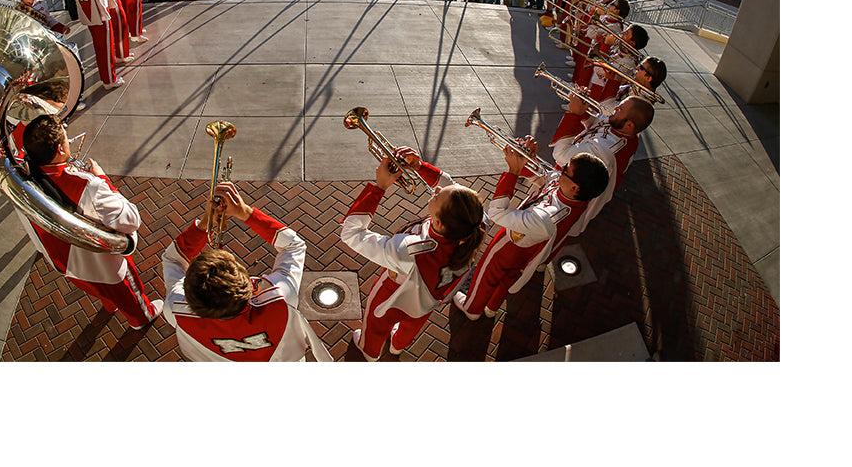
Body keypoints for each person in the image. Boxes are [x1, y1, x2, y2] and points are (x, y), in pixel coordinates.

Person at [340, 146, 486, 361]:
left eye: (437, 197)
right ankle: (398, 346)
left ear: (438, 222)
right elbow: (452, 188)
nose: (435, 191)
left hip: (392, 293)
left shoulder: (410, 250)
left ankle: (369, 351)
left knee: (376, 321)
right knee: (412, 324)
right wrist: (419, 166)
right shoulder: (477, 223)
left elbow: (351, 233)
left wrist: (379, 187)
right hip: (427, 301)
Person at [161, 181, 332, 362]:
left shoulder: (175, 309)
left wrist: (205, 223)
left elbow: (173, 259)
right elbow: (293, 245)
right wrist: (245, 213)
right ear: (248, 286)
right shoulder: (280, 300)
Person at [21, 114, 162, 329]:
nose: (69, 142)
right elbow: (131, 220)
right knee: (127, 293)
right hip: (100, 262)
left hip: (62, 260)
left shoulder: (22, 180)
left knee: (98, 289)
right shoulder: (88, 186)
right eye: (66, 139)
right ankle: (142, 317)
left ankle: (109, 304)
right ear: (60, 150)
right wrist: (103, 179)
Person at [453, 140, 609, 320]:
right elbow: (542, 177)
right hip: (528, 247)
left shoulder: (546, 218)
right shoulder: (575, 196)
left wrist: (513, 171)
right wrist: (527, 159)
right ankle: (492, 306)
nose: (560, 170)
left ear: (575, 188)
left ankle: (472, 308)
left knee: (486, 272)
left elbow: (496, 213)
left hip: (511, 243)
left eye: (566, 170)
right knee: (510, 276)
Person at [550, 92, 654, 237]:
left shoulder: (606, 150)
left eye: (620, 109)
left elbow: (561, 155)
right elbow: (595, 125)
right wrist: (584, 108)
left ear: (629, 125)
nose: (615, 108)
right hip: (571, 178)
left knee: (553, 226)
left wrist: (573, 114)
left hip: (571, 189)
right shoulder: (620, 126)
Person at [73, 0, 123, 90]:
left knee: (100, 51)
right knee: (107, 51)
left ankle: (105, 77)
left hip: (91, 21)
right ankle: (110, 80)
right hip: (101, 21)